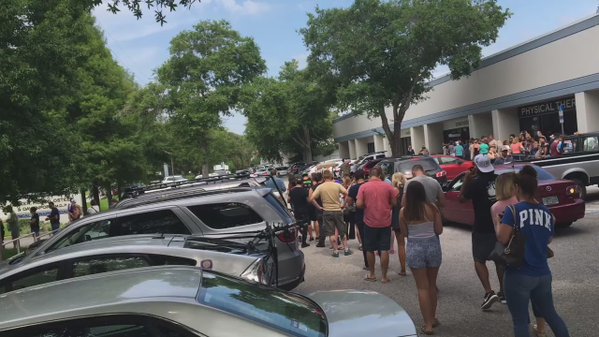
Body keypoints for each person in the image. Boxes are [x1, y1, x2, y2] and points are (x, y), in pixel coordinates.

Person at [497, 166, 570, 337]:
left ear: (517, 188)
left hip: (519, 272)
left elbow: (502, 238)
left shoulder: (513, 211)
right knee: (551, 314)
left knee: (521, 321)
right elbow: (548, 239)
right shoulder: (547, 213)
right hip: (543, 273)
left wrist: (501, 222)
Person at [460, 154, 504, 310]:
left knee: (479, 259)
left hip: (481, 227)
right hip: (500, 225)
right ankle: (504, 291)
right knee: (500, 259)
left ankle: (488, 291)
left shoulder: (475, 183)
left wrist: (467, 179)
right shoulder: (499, 179)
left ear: (477, 167)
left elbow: (462, 198)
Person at [399, 180, 443, 335]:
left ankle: (427, 324)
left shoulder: (404, 211)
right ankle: (433, 317)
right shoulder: (432, 207)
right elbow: (439, 230)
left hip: (415, 248)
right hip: (432, 246)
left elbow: (405, 234)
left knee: (422, 287)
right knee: (432, 285)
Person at [357, 166, 398, 283]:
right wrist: (387, 206)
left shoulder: (364, 187)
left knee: (369, 249)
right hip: (385, 222)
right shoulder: (388, 186)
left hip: (369, 222)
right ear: (380, 175)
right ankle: (384, 276)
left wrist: (367, 205)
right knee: (384, 249)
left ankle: (372, 274)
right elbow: (394, 203)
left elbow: (358, 204)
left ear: (370, 175)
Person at [309, 170, 351, 257]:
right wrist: (343, 204)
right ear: (331, 176)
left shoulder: (320, 187)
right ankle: (346, 249)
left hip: (327, 211)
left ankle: (335, 251)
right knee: (342, 231)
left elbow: (311, 198)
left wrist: (319, 207)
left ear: (323, 177)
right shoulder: (337, 185)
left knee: (331, 232)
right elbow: (347, 194)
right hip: (338, 210)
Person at [346, 169, 368, 269]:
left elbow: (349, 202)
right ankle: (382, 258)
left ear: (355, 178)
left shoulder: (354, 188)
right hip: (371, 213)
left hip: (360, 214)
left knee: (364, 240)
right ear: (364, 176)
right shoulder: (368, 185)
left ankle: (367, 263)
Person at [392, 172, 408, 276]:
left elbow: (391, 204)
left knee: (401, 245)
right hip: (409, 217)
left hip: (398, 218)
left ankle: (403, 269)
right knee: (412, 243)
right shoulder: (408, 191)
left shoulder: (394, 191)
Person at [288, 179, 311, 248]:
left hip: (296, 210)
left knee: (297, 225)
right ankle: (304, 242)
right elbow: (308, 200)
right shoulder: (304, 191)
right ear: (302, 183)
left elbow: (288, 200)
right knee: (305, 226)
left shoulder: (292, 190)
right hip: (304, 210)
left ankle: (297, 238)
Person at [309, 172, 324, 247]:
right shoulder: (325, 185)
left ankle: (321, 242)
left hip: (319, 209)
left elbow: (310, 199)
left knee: (321, 225)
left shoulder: (313, 187)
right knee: (331, 225)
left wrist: (318, 206)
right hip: (328, 207)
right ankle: (336, 240)